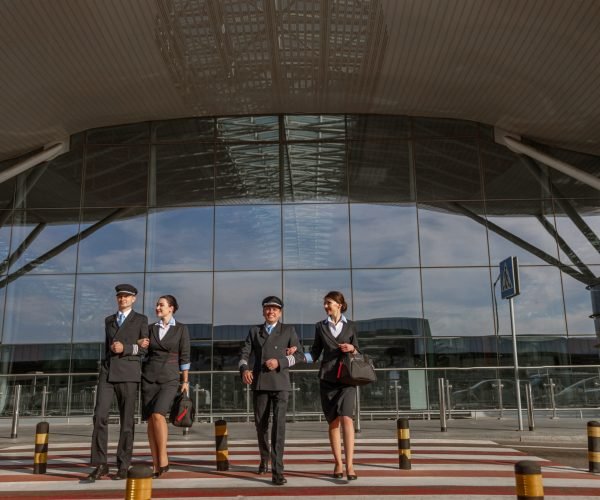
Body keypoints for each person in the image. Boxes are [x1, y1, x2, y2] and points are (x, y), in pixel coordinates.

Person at [238, 296, 305, 486]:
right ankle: (264, 456)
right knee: (261, 426)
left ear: (280, 312)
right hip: (260, 384)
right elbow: (243, 354)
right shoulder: (254, 331)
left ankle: (278, 471)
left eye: (275, 309)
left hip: (280, 384)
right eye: (268, 309)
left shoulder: (288, 330)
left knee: (279, 428)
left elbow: (299, 355)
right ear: (263, 311)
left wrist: (280, 362)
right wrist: (244, 369)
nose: (271, 312)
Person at [88, 284, 148, 481]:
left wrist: (127, 347)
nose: (122, 299)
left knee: (127, 422)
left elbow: (145, 349)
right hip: (107, 373)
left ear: (134, 299)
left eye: (126, 297)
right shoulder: (109, 320)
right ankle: (100, 464)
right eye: (119, 296)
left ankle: (123, 464)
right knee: (99, 416)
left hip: (128, 373)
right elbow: (108, 347)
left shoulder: (141, 320)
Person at [304, 291, 359, 481]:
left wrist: (352, 348)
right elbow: (315, 353)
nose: (326, 306)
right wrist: (296, 355)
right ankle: (338, 463)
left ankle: (350, 465)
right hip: (327, 379)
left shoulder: (350, 326)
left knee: (347, 419)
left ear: (339, 304)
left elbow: (358, 349)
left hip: (346, 379)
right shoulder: (320, 326)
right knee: (333, 421)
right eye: (324, 303)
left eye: (329, 303)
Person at [139, 294, 190, 478]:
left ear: (171, 308)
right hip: (149, 378)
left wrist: (185, 381)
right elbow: (143, 350)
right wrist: (138, 344)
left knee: (158, 414)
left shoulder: (181, 329)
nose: (157, 308)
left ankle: (163, 457)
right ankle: (155, 464)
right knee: (151, 421)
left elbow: (185, 357)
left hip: (170, 378)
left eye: (161, 305)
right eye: (157, 305)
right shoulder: (150, 328)